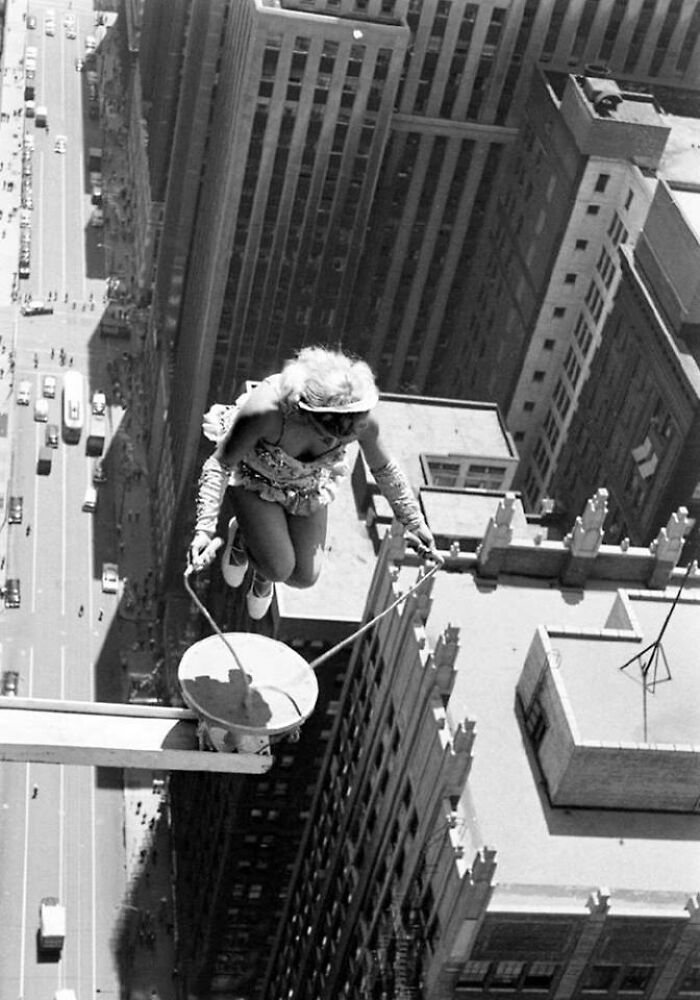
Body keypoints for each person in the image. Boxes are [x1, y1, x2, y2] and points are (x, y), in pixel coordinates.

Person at [190, 346, 436, 619]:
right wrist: (205, 529)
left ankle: (261, 562)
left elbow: (384, 469)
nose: (331, 444)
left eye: (340, 441)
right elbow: (220, 463)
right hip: (254, 478)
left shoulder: (362, 421)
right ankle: (247, 538)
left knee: (305, 577)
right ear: (304, 412)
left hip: (307, 488)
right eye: (323, 434)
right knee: (279, 567)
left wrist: (415, 522)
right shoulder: (268, 408)